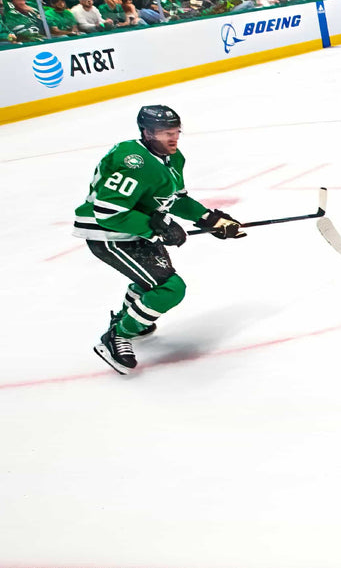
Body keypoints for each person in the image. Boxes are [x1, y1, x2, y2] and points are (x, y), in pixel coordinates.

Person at [73, 105, 246, 374]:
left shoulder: (173, 158)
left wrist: (209, 219)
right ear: (148, 133)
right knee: (169, 288)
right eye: (166, 133)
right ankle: (117, 336)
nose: (174, 138)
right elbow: (108, 213)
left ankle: (129, 320)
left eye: (176, 132)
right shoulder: (133, 161)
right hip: (108, 233)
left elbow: (175, 200)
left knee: (152, 282)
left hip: (136, 229)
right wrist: (159, 227)